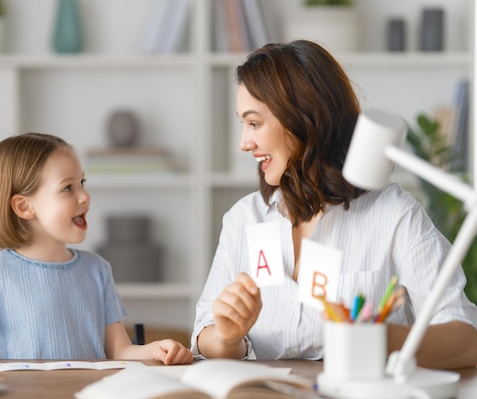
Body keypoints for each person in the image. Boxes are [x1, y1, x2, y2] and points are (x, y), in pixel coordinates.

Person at [191, 40, 477, 370]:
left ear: (303, 118)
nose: (244, 143)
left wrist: (375, 337)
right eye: (243, 124)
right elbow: (202, 335)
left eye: (254, 123)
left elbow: (467, 337)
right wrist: (227, 337)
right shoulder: (244, 218)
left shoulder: (394, 215)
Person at [0, 133, 192, 372]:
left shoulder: (97, 269)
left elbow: (119, 350)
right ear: (24, 207)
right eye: (68, 188)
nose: (84, 196)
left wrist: (155, 349)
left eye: (82, 183)